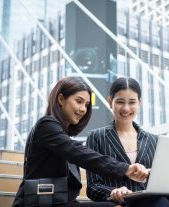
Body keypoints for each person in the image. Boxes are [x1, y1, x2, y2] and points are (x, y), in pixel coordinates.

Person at [12, 77, 149, 207]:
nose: (84, 109)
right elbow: (79, 153)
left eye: (87, 104)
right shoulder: (46, 125)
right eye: (79, 101)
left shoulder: (61, 133)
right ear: (61, 99)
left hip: (58, 202)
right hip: (38, 203)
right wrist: (125, 168)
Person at [86, 77, 169, 207]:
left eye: (132, 102)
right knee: (160, 203)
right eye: (120, 102)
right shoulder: (97, 137)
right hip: (122, 203)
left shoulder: (153, 140)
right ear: (110, 102)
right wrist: (113, 191)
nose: (126, 108)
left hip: (153, 199)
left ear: (139, 103)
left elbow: (162, 181)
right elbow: (93, 187)